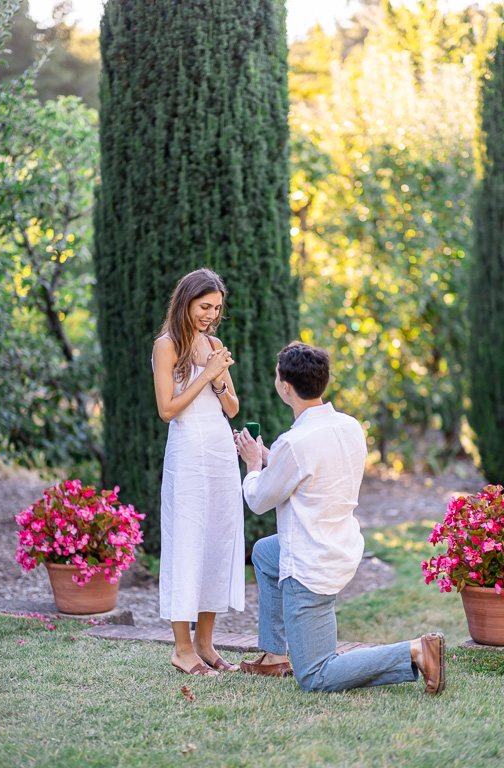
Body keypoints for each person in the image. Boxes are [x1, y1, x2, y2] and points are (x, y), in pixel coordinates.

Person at [235, 341, 446, 695]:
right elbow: (307, 473)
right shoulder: (348, 426)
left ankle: (415, 651)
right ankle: (274, 655)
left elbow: (258, 499)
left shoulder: (295, 442)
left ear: (285, 387)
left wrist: (254, 463)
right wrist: (270, 458)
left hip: (310, 564)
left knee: (315, 675)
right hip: (340, 546)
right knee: (263, 553)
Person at [153, 268, 245, 677]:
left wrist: (219, 379)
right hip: (188, 452)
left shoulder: (214, 343)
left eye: (217, 308)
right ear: (186, 301)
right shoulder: (166, 346)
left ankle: (206, 644)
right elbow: (167, 410)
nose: (210, 315)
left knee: (217, 542)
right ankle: (182, 649)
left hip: (221, 453)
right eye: (205, 306)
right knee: (187, 541)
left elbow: (232, 408)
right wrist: (205, 374)